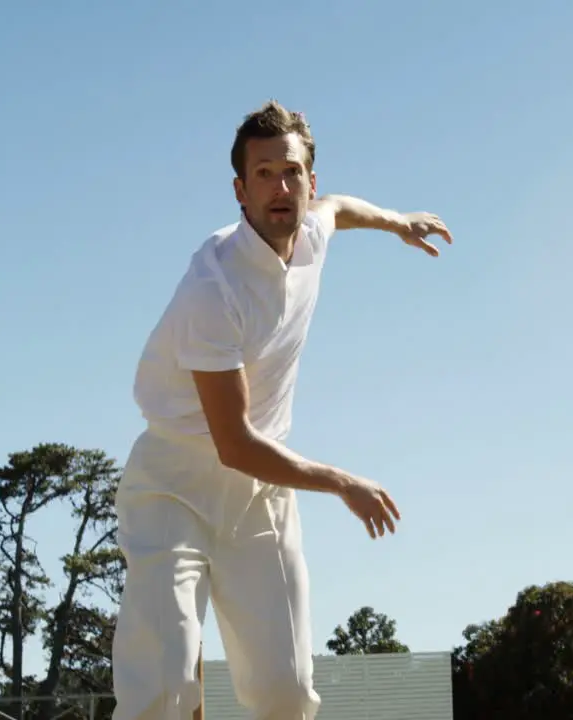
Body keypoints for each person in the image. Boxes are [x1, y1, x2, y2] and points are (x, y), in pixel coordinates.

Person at [111, 100, 452, 720]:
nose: (280, 186)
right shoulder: (212, 287)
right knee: (162, 686)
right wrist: (343, 482)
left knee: (286, 695)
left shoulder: (311, 232)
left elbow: (342, 209)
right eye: (263, 174)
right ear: (240, 191)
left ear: (308, 181)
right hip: (172, 488)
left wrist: (397, 221)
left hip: (260, 496)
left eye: (291, 171)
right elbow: (233, 443)